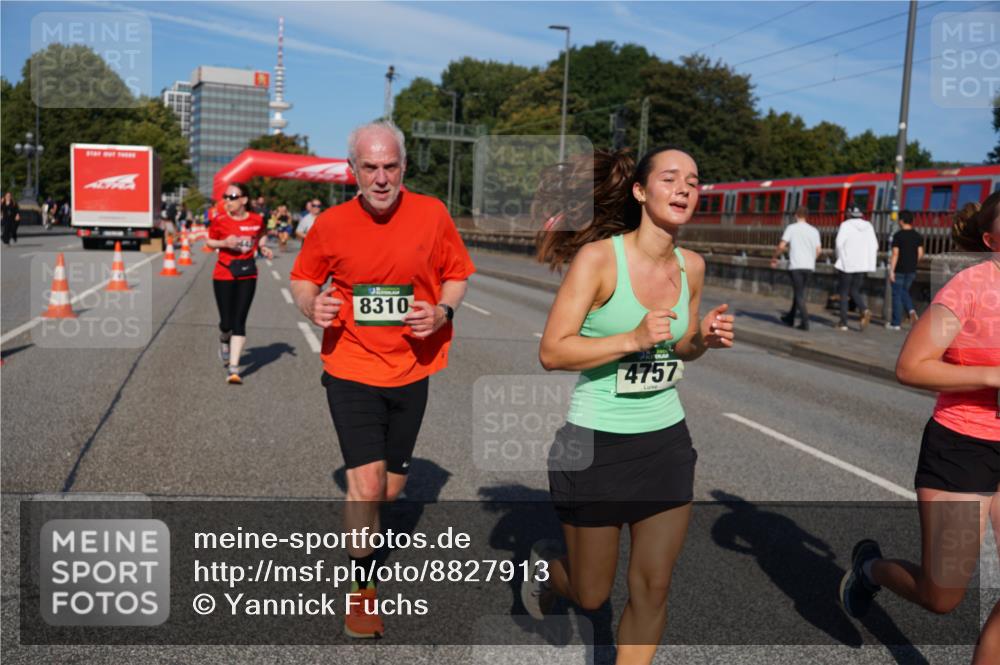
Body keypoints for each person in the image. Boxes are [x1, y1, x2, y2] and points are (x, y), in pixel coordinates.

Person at [525, 147, 735, 665]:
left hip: (665, 443)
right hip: (595, 444)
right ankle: (546, 572)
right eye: (670, 178)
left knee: (652, 589)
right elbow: (552, 351)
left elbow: (680, 347)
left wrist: (703, 339)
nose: (684, 188)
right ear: (640, 192)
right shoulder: (599, 260)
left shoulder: (692, 266)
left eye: (693, 180)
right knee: (591, 593)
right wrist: (631, 338)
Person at [289, 120, 475, 639]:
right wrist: (311, 304)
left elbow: (457, 274)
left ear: (403, 167)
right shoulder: (331, 224)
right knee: (366, 485)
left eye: (390, 166)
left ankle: (373, 518)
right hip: (350, 365)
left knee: (390, 491)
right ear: (352, 170)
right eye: (369, 167)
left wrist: (442, 311)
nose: (380, 178)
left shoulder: (431, 214)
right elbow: (303, 277)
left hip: (412, 367)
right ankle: (361, 589)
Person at [840, 191, 1000, 664]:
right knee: (942, 595)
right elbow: (911, 366)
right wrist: (992, 375)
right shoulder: (972, 287)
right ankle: (869, 570)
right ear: (991, 240)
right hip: (965, 448)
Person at [204, 182, 273, 384]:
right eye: (225, 197)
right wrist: (224, 243)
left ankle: (233, 369)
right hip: (224, 273)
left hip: (247, 274)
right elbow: (210, 241)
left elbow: (261, 235)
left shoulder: (256, 219)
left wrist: (263, 247)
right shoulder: (220, 220)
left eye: (232, 197)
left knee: (239, 321)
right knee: (226, 322)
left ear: (244, 200)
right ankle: (224, 338)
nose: (227, 201)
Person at [770, 205, 822, 331]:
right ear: (807, 216)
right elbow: (819, 250)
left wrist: (774, 257)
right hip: (809, 267)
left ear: (796, 215)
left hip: (796, 266)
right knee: (799, 292)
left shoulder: (791, 228)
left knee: (799, 295)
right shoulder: (814, 230)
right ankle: (790, 318)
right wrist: (811, 260)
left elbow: (781, 246)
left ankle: (805, 322)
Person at [834, 204, 878, 332]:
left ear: (849, 214)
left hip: (846, 264)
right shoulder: (869, 226)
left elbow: (839, 244)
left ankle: (843, 323)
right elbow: (875, 245)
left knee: (843, 292)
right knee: (854, 290)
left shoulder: (845, 225)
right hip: (862, 264)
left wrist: (840, 258)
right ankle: (864, 309)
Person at [886, 209, 924, 331]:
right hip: (911, 269)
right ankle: (911, 311)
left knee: (897, 295)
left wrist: (891, 270)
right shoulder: (917, 236)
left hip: (899, 269)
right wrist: (913, 263)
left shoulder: (898, 236)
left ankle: (896, 323)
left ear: (901, 221)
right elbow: (920, 253)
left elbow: (895, 254)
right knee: (904, 292)